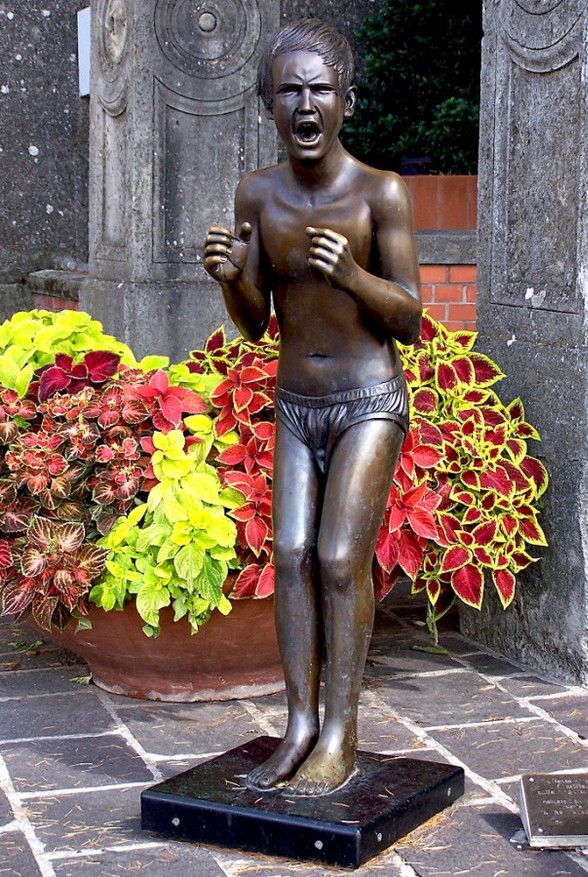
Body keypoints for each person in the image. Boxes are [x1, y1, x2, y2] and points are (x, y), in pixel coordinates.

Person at [204, 19, 422, 797]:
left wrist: (355, 275)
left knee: (338, 559)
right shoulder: (257, 194)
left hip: (367, 400)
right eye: (289, 90)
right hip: (297, 404)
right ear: (268, 104)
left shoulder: (378, 193)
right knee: (290, 556)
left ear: (347, 102)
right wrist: (233, 276)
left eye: (319, 89)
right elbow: (257, 321)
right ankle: (298, 725)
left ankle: (341, 733)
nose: (305, 103)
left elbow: (412, 319)